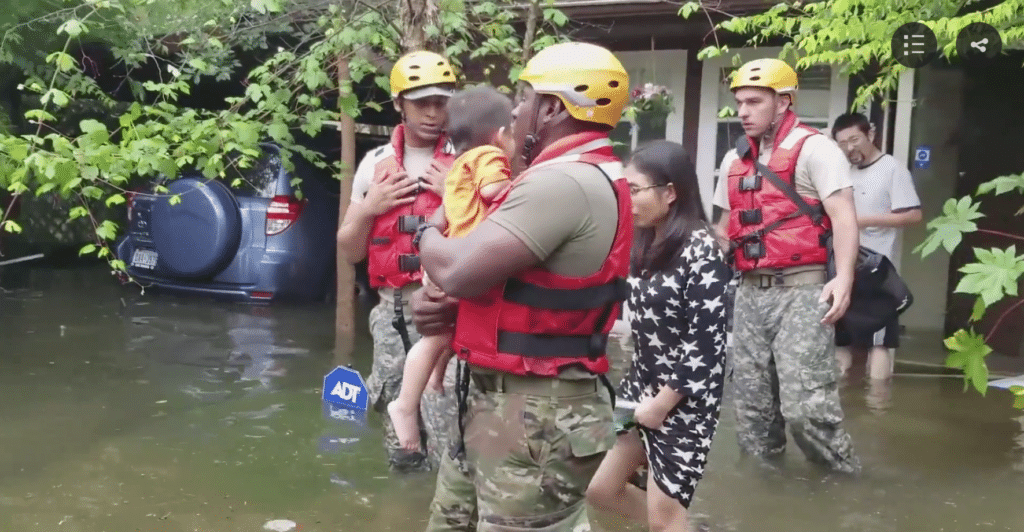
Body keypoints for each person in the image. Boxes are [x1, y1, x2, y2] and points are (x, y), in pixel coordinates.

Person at [409, 41, 632, 532]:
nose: (515, 111)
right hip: (503, 403)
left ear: (553, 109)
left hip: (535, 415)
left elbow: (458, 270)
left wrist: (425, 232)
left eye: (525, 97)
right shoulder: (571, 175)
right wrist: (453, 311)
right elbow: (508, 285)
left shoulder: (562, 183)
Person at [712, 58, 861, 474]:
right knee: (752, 414)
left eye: (754, 102)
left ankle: (844, 484)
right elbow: (724, 228)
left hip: (803, 290)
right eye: (739, 102)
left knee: (805, 410)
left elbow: (844, 217)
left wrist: (844, 278)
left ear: (783, 102)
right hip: (749, 292)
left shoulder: (817, 150)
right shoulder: (733, 160)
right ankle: (765, 493)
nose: (743, 111)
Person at [586, 141, 731, 532]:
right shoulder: (645, 242)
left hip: (683, 400)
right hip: (639, 387)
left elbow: (706, 345)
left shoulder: (702, 249)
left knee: (664, 517)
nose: (628, 199)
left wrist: (663, 404)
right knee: (601, 491)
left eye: (635, 190)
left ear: (669, 193)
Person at [335, 50, 459, 473]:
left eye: (441, 102)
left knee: (449, 423)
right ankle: (401, 501)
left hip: (449, 311)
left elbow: (496, 238)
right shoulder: (374, 165)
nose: (432, 113)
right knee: (399, 436)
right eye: (421, 102)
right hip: (392, 312)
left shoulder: (468, 160)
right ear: (399, 104)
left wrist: (456, 195)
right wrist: (369, 209)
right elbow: (350, 251)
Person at [387, 85, 515, 451]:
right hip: (462, 258)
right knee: (435, 338)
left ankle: (435, 379)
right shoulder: (490, 156)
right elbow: (493, 193)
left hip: (447, 254)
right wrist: (522, 189)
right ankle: (404, 405)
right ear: (501, 135)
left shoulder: (459, 163)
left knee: (447, 331)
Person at [831, 112, 922, 381]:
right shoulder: (843, 171)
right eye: (842, 143)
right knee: (840, 339)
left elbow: (913, 215)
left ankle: (878, 399)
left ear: (870, 134)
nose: (849, 148)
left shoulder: (892, 168)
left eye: (855, 140)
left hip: (877, 269)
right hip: (842, 266)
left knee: (879, 342)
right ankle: (844, 397)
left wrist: (863, 220)